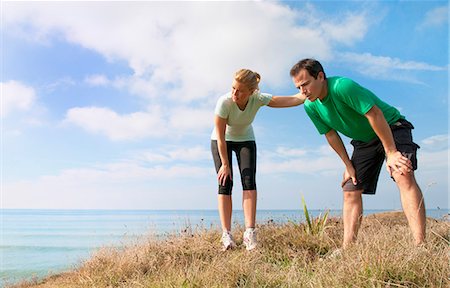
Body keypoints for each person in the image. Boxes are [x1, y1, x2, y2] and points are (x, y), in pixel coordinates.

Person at [289, 58, 426, 249]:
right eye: (298, 88)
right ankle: (347, 249)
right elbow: (330, 134)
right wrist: (348, 165)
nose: (302, 92)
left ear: (320, 77)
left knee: (403, 174)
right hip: (364, 141)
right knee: (350, 190)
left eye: (305, 84)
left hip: (392, 127)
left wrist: (392, 152)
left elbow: (375, 114)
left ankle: (420, 245)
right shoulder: (310, 106)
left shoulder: (342, 87)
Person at [211, 68, 305, 251]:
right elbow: (221, 136)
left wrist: (303, 96)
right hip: (221, 140)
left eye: (240, 91)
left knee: (249, 182)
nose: (234, 93)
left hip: (245, 139)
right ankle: (226, 235)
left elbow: (282, 100)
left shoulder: (257, 98)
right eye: (233, 88)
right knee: (225, 182)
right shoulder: (224, 102)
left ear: (251, 92)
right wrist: (224, 164)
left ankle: (249, 233)